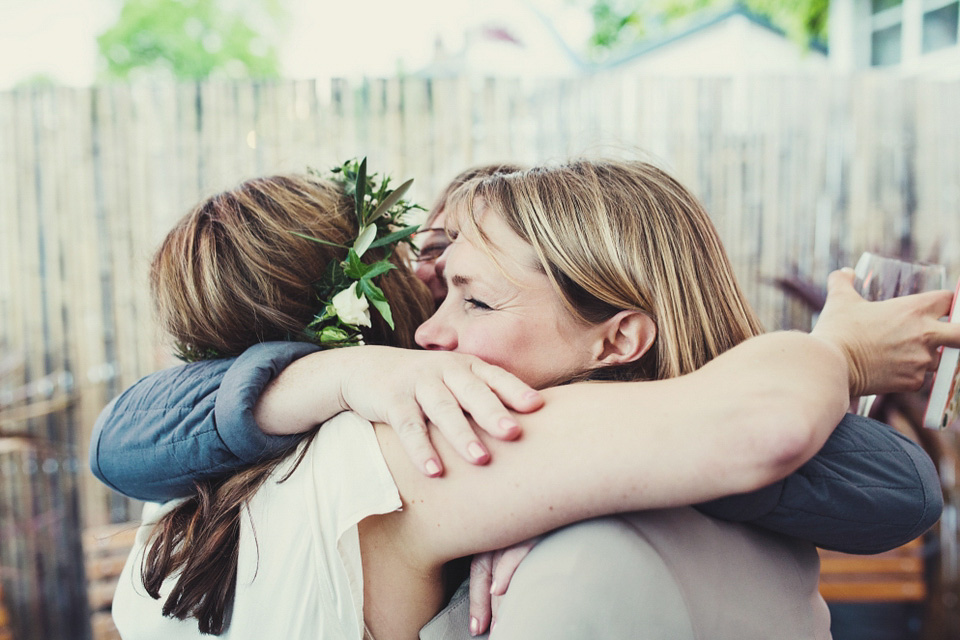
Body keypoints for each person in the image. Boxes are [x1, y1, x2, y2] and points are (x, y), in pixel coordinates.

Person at [105, 161, 956, 639]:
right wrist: (836, 352)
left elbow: (124, 436)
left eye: (468, 292)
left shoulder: (180, 497)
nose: (433, 331)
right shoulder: (427, 443)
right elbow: (774, 431)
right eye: (433, 283)